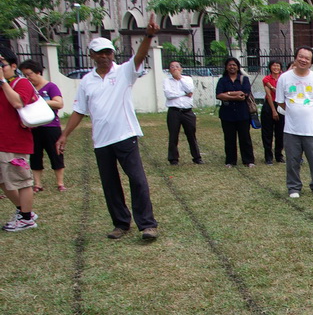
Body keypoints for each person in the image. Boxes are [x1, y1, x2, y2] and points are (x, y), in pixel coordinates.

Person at [56, 23, 160, 240]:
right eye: (99, 53)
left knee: (137, 180)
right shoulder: (86, 81)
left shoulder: (124, 72)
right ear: (91, 55)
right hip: (101, 141)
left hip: (125, 135)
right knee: (110, 184)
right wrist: (65, 134)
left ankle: (147, 225)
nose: (104, 56)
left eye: (108, 52)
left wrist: (149, 36)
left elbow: (139, 57)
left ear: (113, 54)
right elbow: (79, 111)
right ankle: (121, 224)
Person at [275, 47, 313, 198]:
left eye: (307, 58)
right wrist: (295, 109)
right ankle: (293, 188)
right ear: (296, 57)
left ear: (311, 62)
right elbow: (281, 102)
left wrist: (305, 110)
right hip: (291, 129)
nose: (303, 60)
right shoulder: (284, 78)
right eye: (300, 57)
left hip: (312, 129)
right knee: (292, 161)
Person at [0, 48, 39, 232]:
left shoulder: (21, 82)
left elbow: (18, 102)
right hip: (2, 140)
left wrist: (2, 81)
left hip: (15, 141)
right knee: (4, 181)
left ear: (13, 65)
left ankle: (26, 218)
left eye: (2, 64)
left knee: (21, 181)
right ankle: (24, 211)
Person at [19, 59, 67, 192]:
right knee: (35, 155)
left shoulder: (50, 87)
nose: (28, 78)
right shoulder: (28, 88)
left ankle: (60, 183)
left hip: (51, 126)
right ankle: (37, 184)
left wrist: (40, 101)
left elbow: (59, 103)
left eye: (29, 74)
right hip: (33, 127)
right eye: (25, 75)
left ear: (38, 73)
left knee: (55, 154)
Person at [215, 57, 255, 168]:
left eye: (234, 65)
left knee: (245, 138)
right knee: (229, 138)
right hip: (227, 114)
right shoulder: (222, 80)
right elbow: (219, 95)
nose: (232, 67)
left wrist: (227, 95)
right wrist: (235, 95)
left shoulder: (244, 79)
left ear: (238, 67)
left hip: (242, 114)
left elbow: (244, 94)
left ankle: (248, 160)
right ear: (226, 67)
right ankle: (230, 161)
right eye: (229, 65)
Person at [163, 61, 202, 166]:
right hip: (174, 111)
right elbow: (169, 94)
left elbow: (190, 90)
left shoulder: (187, 79)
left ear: (181, 69)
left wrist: (179, 78)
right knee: (173, 135)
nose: (174, 68)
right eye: (172, 67)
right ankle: (173, 159)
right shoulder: (167, 81)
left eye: (177, 66)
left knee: (191, 135)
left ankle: (197, 157)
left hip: (187, 111)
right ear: (169, 70)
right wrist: (184, 93)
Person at [261, 59, 285, 164]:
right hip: (270, 105)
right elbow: (269, 95)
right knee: (267, 133)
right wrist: (273, 110)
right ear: (270, 67)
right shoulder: (266, 79)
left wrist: (274, 88)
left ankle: (279, 156)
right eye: (274, 66)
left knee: (280, 133)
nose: (276, 68)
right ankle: (268, 157)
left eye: (278, 66)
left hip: (282, 105)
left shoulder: (284, 78)